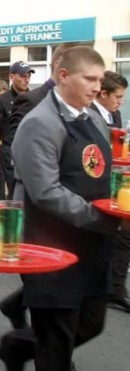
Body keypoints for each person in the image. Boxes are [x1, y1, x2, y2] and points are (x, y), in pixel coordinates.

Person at [0, 45, 125, 371]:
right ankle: (30, 348)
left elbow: (102, 168)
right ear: (64, 76)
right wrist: (102, 217)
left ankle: (18, 344)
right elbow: (45, 192)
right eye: (90, 79)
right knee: (55, 346)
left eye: (100, 79)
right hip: (52, 249)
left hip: (93, 246)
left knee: (92, 322)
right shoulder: (39, 122)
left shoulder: (93, 117)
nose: (98, 87)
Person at [0, 43, 74, 331]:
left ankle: (19, 306)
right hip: (32, 189)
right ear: (59, 67)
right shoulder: (33, 99)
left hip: (64, 190)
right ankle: (45, 341)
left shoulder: (80, 104)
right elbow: (18, 144)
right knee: (35, 259)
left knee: (53, 265)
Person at [90, 71, 130, 312]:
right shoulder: (90, 115)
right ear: (103, 94)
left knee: (125, 230)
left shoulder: (113, 114)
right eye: (118, 97)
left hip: (116, 180)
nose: (120, 102)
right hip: (97, 183)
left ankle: (115, 287)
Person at [0, 61, 34, 200]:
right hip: (10, 152)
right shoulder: (1, 101)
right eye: (23, 75)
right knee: (16, 194)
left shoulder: (34, 98)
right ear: (12, 77)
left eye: (29, 76)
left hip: (32, 152)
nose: (26, 79)